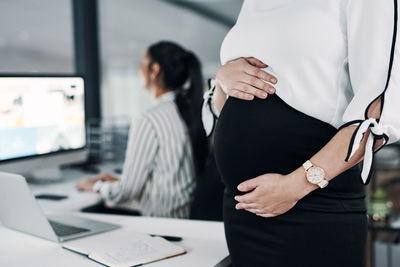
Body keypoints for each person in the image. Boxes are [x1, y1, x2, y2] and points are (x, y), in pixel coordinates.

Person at [202, 1, 400, 266]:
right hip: (244, 211)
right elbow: (226, 108)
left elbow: (378, 110)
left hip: (312, 208)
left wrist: (295, 185)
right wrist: (223, 80)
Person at [76, 41, 208, 218]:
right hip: (184, 218)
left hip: (162, 225)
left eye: (143, 63)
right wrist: (121, 180)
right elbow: (172, 178)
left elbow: (127, 192)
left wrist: (96, 186)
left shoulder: (149, 119)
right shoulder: (189, 110)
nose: (140, 70)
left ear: (154, 70)